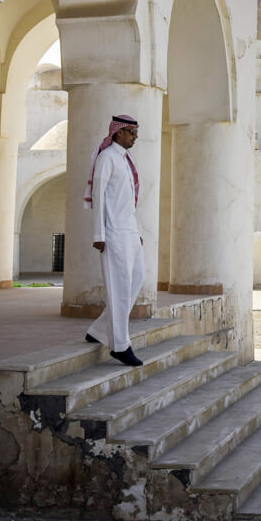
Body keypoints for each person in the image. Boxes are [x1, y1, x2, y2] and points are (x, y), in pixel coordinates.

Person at [83, 115, 145, 366]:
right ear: (118, 133)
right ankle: (120, 345)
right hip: (113, 232)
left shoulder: (124, 159)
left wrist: (135, 231)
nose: (135, 136)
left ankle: (98, 331)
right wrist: (99, 234)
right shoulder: (107, 158)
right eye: (131, 132)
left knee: (136, 281)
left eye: (136, 132)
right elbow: (98, 197)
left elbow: (125, 201)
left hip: (129, 230)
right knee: (119, 289)